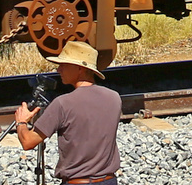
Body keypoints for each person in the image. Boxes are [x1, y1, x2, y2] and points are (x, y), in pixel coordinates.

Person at [14, 40, 121, 185]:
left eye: (64, 65)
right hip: (109, 181)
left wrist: (21, 122)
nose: (58, 70)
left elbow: (28, 142)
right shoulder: (114, 98)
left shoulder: (63, 104)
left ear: (80, 69)